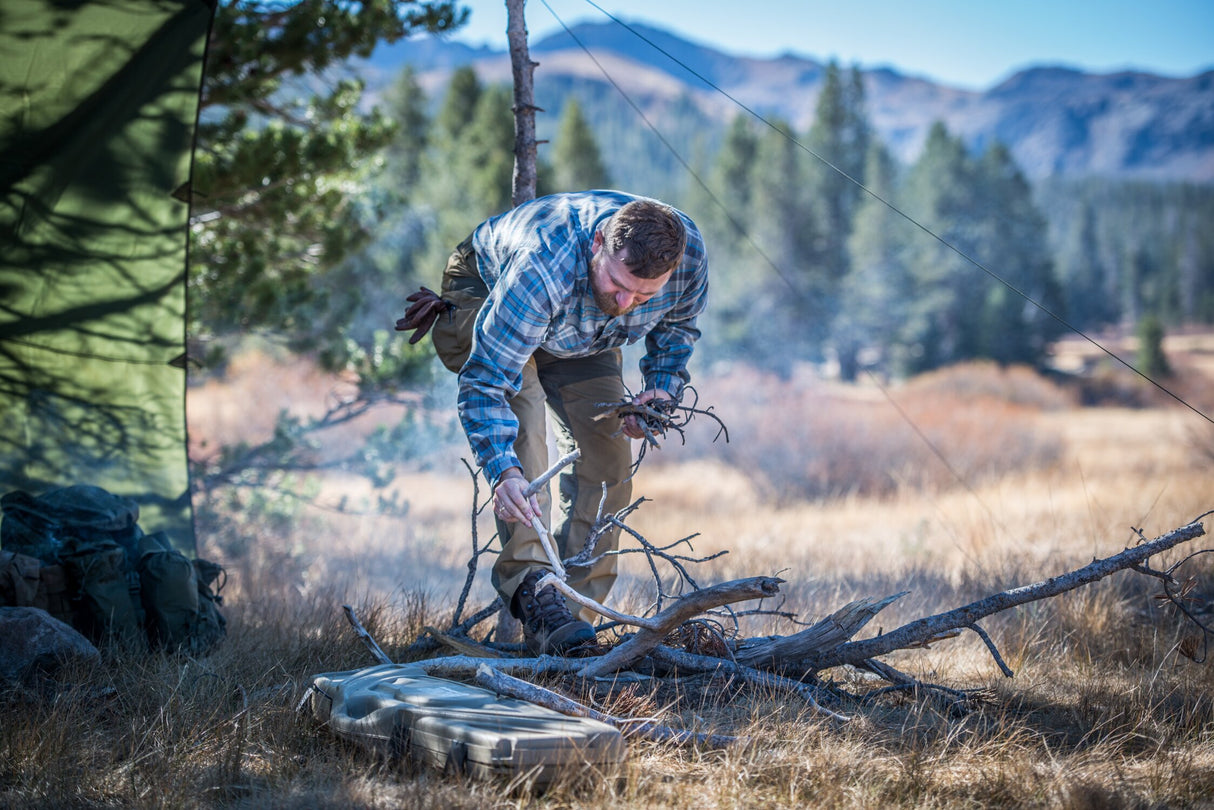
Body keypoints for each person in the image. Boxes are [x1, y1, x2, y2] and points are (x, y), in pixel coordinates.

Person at [396, 190, 709, 655]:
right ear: (599, 241)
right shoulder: (544, 267)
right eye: (619, 284)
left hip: (581, 333)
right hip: (490, 295)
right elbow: (486, 382)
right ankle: (536, 592)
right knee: (526, 445)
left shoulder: (687, 256)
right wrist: (502, 471)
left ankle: (569, 629)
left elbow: (677, 326)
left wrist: (661, 389)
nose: (627, 301)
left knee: (608, 465)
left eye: (645, 294)